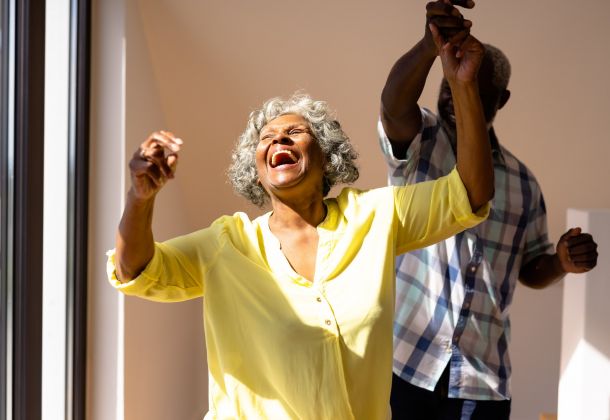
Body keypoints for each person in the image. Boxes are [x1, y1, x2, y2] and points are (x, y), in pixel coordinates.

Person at [107, 26, 492, 418]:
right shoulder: (227, 242)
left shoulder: (376, 216)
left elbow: (471, 193)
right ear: (256, 170)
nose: (279, 141)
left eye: (295, 133)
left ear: (326, 157)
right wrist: (140, 198)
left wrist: (462, 85)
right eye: (267, 138)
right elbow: (136, 270)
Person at [378, 1, 599, 419]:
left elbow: (531, 268)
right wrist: (430, 45)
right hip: (406, 364)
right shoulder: (423, 142)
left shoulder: (523, 184)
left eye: (474, 90)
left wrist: (560, 263)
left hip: (483, 381)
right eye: (450, 85)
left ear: (502, 99)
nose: (455, 94)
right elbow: (392, 106)